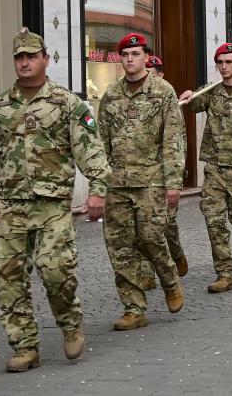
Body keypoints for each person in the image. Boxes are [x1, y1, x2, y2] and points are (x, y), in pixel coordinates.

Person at [0, 27, 111, 371]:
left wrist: (97, 191)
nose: (25, 62)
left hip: (52, 206)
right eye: (19, 57)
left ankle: (70, 323)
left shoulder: (67, 103)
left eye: (31, 56)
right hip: (11, 207)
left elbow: (91, 149)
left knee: (55, 268)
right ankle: (24, 346)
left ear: (45, 59)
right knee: (7, 273)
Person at [97, 32, 185, 330]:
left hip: (151, 181)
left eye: (135, 54)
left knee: (151, 238)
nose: (130, 59)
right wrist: (99, 184)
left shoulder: (163, 92)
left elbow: (173, 139)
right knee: (120, 247)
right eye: (125, 54)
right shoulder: (110, 95)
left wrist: (173, 183)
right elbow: (102, 143)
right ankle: (133, 308)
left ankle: (170, 279)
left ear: (147, 57)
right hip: (117, 183)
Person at [177, 43, 232, 293]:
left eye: (229, 62)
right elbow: (193, 105)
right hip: (215, 168)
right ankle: (225, 272)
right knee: (213, 220)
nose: (224, 67)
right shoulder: (211, 92)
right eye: (220, 63)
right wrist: (188, 96)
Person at [140, 54, 188, 290]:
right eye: (145, 70)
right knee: (143, 226)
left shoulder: (170, 102)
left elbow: (178, 144)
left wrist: (175, 178)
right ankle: (147, 273)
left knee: (165, 224)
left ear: (161, 74)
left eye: (153, 71)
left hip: (164, 173)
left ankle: (176, 254)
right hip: (141, 175)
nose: (148, 74)